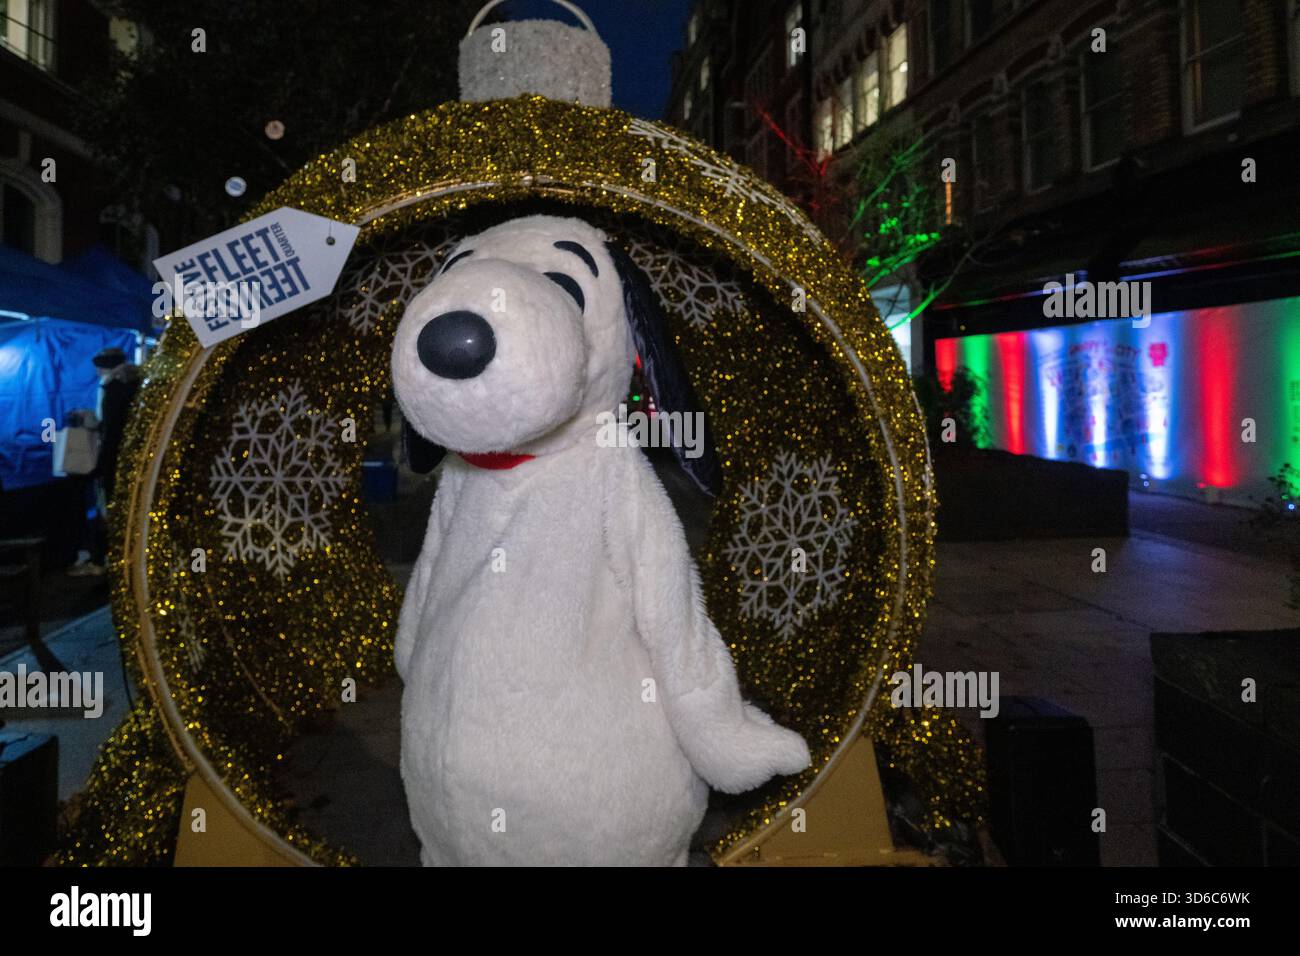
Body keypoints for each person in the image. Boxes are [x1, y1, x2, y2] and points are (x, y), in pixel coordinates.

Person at [67, 347, 143, 577]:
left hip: (114, 459)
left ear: (104, 367)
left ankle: (104, 560)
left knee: (109, 508)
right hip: (133, 458)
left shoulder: (112, 387)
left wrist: (93, 423)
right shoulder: (136, 384)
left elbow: (111, 429)